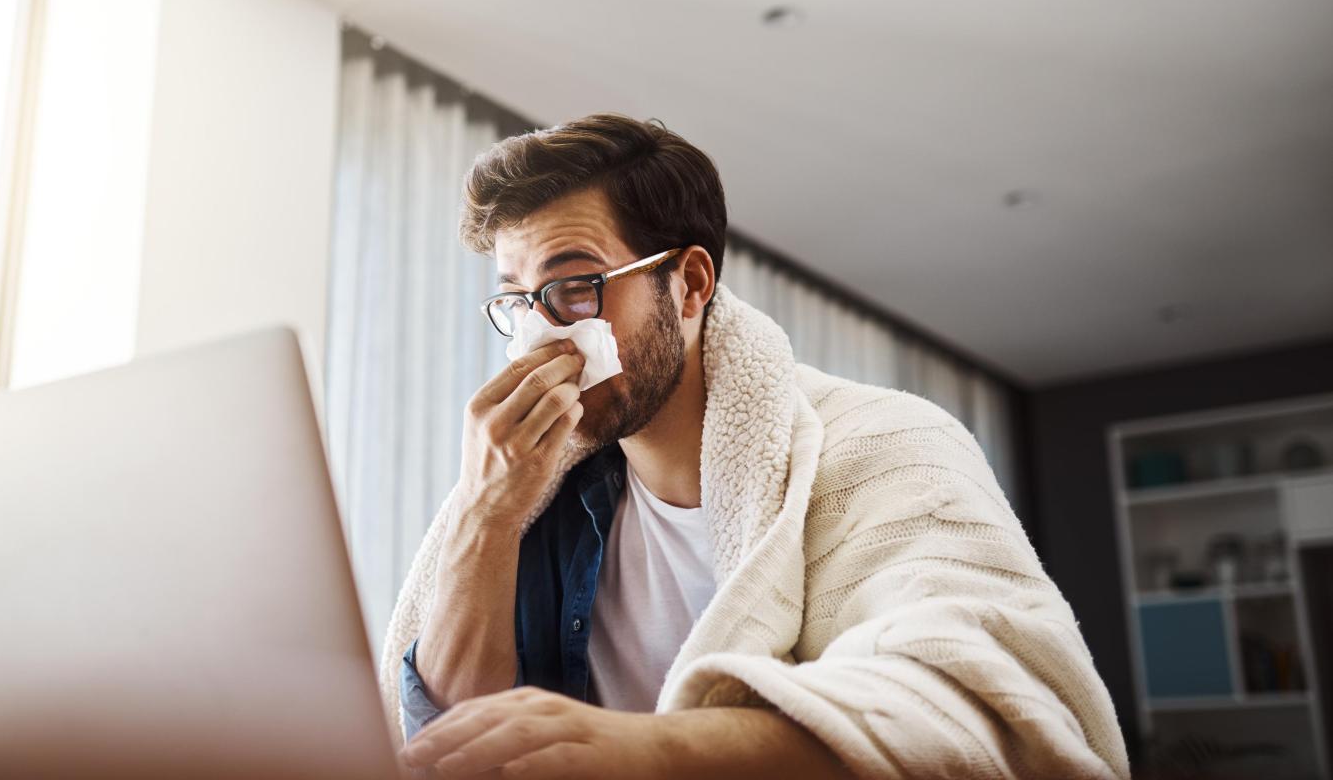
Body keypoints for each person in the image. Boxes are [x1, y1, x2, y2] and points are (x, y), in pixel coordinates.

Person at [378, 114, 1127, 779]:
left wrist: (648, 752)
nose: (540, 334)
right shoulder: (540, 498)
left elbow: (973, 706)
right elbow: (448, 742)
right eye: (517, 300)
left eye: (576, 287)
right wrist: (486, 514)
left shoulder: (889, 446)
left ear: (691, 284)